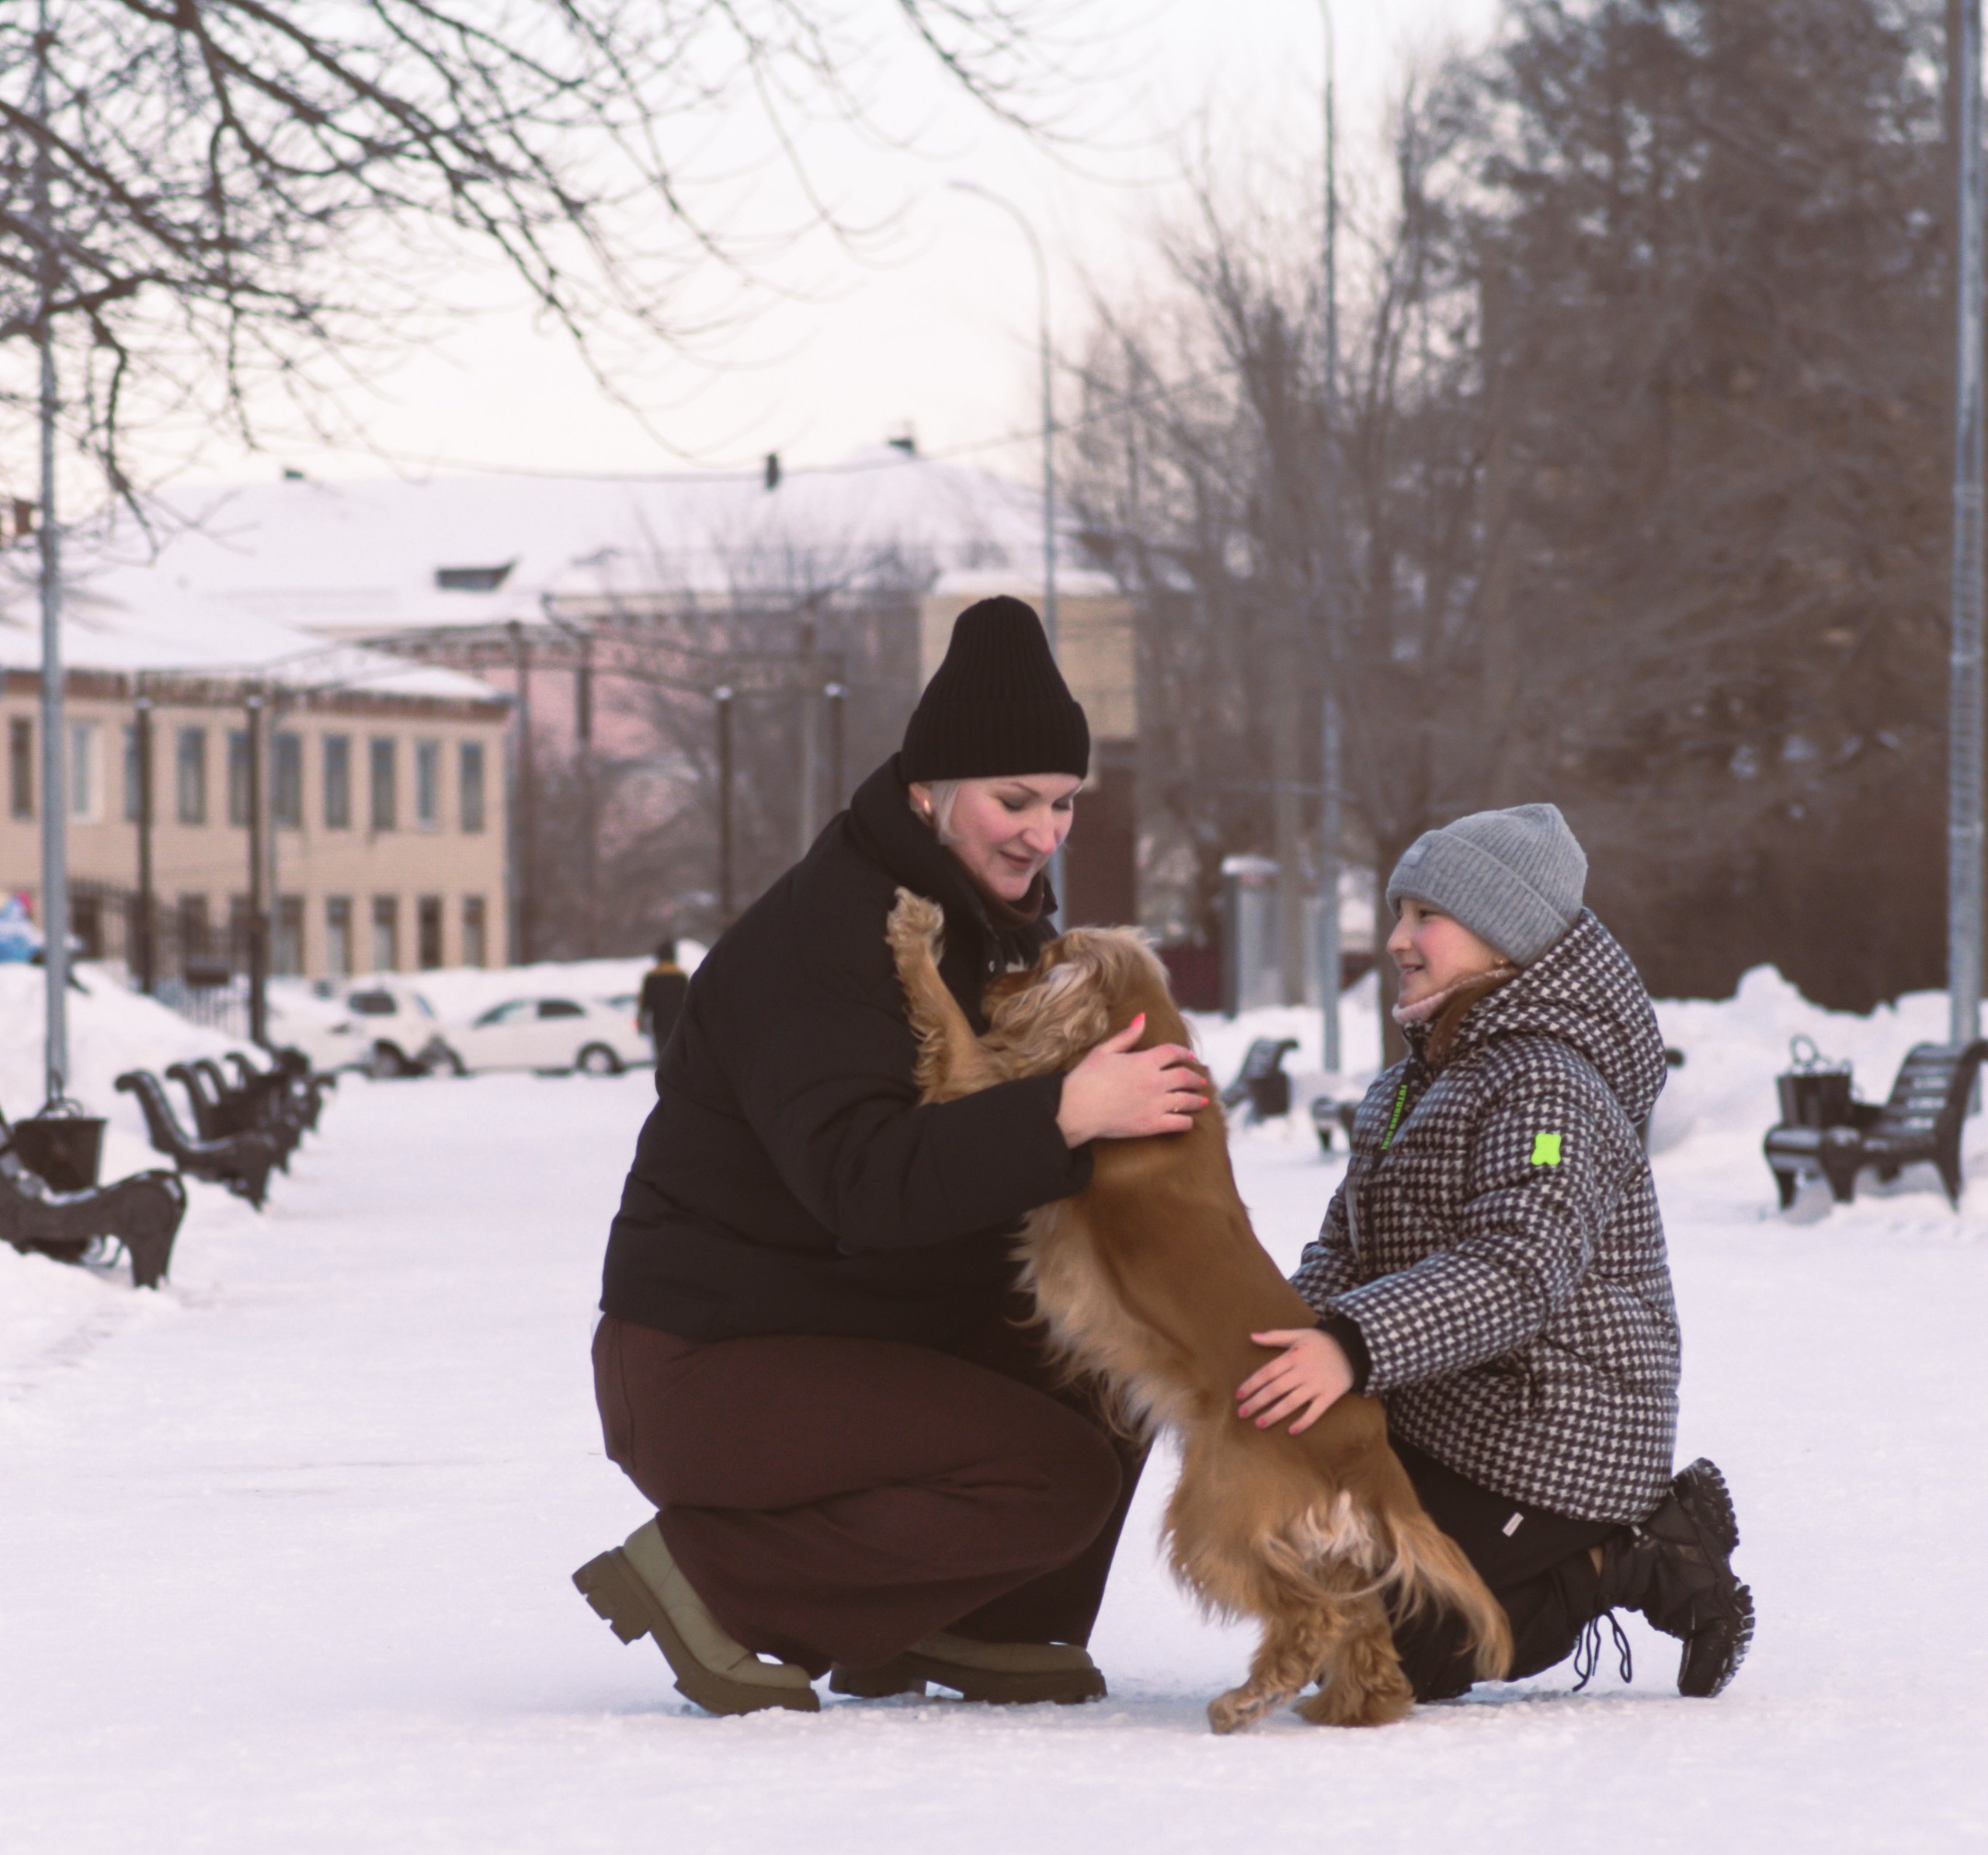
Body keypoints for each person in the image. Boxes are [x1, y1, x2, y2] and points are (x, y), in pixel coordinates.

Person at [575, 596, 1208, 1717]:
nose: (1043, 832)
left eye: (1063, 802)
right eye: (1014, 800)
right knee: (1049, 1473)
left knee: (1115, 1361)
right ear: (928, 791)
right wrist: (1065, 1113)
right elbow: (861, 1185)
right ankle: (709, 1581)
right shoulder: (826, 937)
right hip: (711, 1363)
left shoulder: (991, 929)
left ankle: (973, 1621)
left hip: (862, 1328)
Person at [1234, 801, 1753, 1701]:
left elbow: (1518, 1267)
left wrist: (1349, 1346)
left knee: (1401, 1649)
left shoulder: (1549, 1084)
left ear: (1506, 938)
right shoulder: (1410, 1085)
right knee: (1326, 1596)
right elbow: (1344, 1248)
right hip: (1442, 1404)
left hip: (1554, 1422)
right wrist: (1280, 1338)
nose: (1396, 940)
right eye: (1398, 913)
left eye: (1426, 916)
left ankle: (1633, 1550)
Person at [637, 940, 690, 1079]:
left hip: (659, 1024)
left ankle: (665, 1080)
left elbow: (645, 1004)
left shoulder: (651, 978)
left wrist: (641, 1022)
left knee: (662, 1055)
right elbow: (689, 1002)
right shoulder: (681, 976)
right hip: (679, 1024)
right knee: (679, 1055)